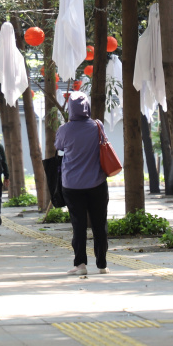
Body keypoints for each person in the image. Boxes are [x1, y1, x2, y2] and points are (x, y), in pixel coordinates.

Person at [54, 92, 109, 276]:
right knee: (99, 224)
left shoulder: (64, 130)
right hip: (97, 183)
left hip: (72, 186)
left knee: (78, 225)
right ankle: (102, 264)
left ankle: (80, 264)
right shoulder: (97, 125)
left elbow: (59, 148)